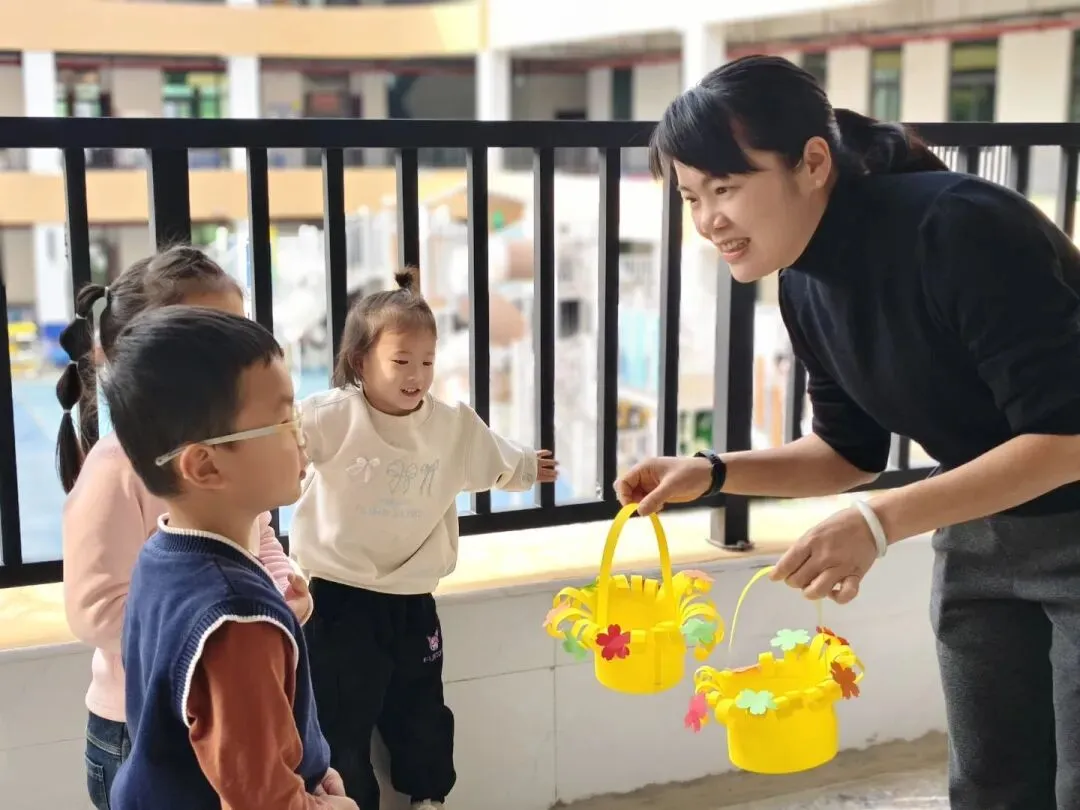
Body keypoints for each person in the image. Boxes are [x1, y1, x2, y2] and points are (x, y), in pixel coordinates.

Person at [616, 54, 1080, 810]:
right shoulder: (802, 282)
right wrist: (714, 472)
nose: (707, 222)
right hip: (981, 530)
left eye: (726, 188)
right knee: (991, 785)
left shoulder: (959, 225)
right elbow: (847, 452)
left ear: (813, 162)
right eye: (692, 197)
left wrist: (879, 521)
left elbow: (1067, 438)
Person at [291, 270, 559, 810]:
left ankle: (429, 798)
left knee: (422, 709)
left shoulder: (451, 426)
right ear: (361, 362)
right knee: (341, 720)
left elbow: (497, 457)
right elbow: (279, 450)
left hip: (413, 597)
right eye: (401, 361)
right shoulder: (331, 416)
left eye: (427, 362)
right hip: (337, 596)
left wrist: (531, 467)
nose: (417, 375)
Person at [59, 247, 313, 810]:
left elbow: (259, 537)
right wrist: (205, 638)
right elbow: (94, 608)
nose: (228, 350)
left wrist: (277, 585)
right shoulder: (115, 471)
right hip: (136, 726)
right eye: (203, 334)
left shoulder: (201, 520)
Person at [101, 305, 355, 810]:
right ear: (205, 465)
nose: (301, 434)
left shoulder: (161, 555)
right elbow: (262, 801)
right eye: (283, 421)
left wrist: (309, 769)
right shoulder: (237, 619)